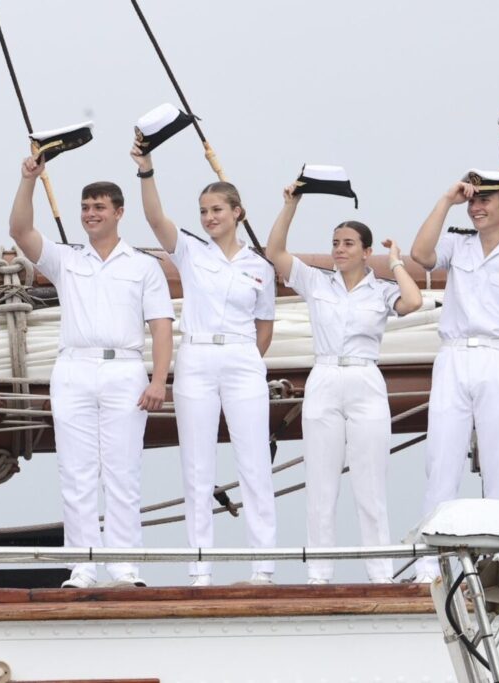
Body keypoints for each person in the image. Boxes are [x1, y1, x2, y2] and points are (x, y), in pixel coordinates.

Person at [9, 155, 174, 588]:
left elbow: (161, 326)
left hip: (124, 369)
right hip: (74, 368)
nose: (90, 214)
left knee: (123, 471)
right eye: (85, 207)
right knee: (76, 472)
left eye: (99, 207)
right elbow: (20, 232)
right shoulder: (66, 260)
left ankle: (123, 566)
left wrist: (159, 379)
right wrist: (29, 180)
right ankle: (82, 566)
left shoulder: (143, 265)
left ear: (119, 212)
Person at [131, 144, 277, 586]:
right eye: (203, 211)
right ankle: (200, 569)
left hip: (242, 357)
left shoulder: (260, 266)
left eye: (216, 210)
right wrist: (146, 171)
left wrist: (244, 358)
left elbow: (264, 326)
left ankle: (264, 566)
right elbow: (156, 219)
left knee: (254, 463)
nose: (209, 217)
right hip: (196, 357)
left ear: (237, 212)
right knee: (197, 467)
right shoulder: (191, 251)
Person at [265, 183, 423, 584]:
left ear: (366, 251)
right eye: (335, 243)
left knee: (370, 483)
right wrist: (290, 205)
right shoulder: (317, 282)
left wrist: (397, 263)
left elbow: (413, 302)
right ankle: (319, 573)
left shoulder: (382, 289)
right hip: (324, 375)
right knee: (320, 483)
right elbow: (276, 252)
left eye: (348, 243)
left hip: (365, 377)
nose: (339, 249)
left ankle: (380, 573)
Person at [409, 168, 499, 582]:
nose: (475, 208)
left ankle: (498, 562)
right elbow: (421, 254)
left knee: (498, 462)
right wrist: (445, 201)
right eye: (473, 201)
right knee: (441, 460)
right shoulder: (458, 244)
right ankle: (430, 565)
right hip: (453, 356)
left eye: (484, 200)